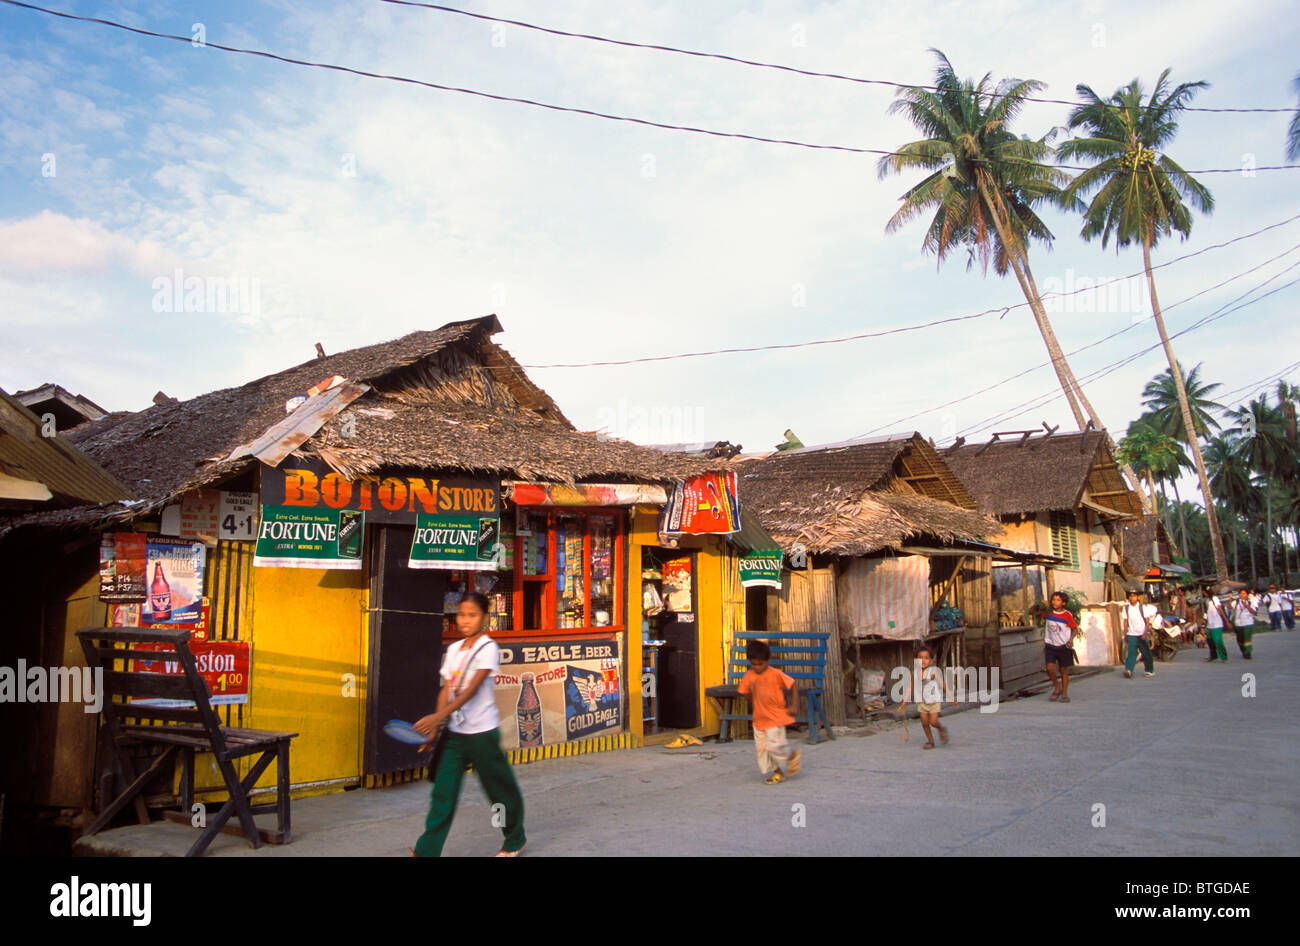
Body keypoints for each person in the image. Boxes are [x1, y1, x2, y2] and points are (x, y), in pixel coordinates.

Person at [413, 592, 526, 857]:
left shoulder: (488, 649)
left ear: (485, 618)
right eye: (462, 614)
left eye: (472, 615)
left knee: (498, 789)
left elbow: (471, 691)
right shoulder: (453, 650)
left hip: (482, 733)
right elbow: (448, 690)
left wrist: (437, 718)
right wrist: (435, 729)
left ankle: (514, 838)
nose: (465, 620)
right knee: (443, 793)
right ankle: (426, 851)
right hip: (455, 735)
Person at [737, 639, 801, 784]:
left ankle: (791, 756)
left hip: (775, 718)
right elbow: (745, 693)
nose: (757, 667)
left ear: (767, 661)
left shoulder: (776, 674)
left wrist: (794, 706)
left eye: (761, 664)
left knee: (774, 745)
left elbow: (793, 684)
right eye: (754, 664)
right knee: (763, 750)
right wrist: (751, 692)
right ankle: (778, 773)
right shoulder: (749, 676)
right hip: (759, 719)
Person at [898, 645, 956, 748]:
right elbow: (910, 688)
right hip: (922, 702)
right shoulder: (914, 673)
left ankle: (941, 729)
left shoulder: (933, 672)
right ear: (916, 661)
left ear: (931, 661)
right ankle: (930, 741)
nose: (923, 660)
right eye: (920, 658)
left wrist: (951, 698)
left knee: (933, 722)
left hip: (934, 701)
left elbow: (943, 684)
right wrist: (904, 701)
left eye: (926, 658)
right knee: (924, 723)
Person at [1043, 592, 1080, 703]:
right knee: (1049, 668)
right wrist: (1042, 605)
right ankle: (1057, 687)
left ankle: (1064, 694)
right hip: (1050, 645)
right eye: (1053, 599)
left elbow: (1074, 629)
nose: (1055, 602)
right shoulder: (1048, 612)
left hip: (1063, 646)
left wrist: (1071, 640)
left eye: (1058, 600)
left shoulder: (1067, 615)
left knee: (1063, 670)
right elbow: (1031, 612)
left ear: (1063, 603)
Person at [1121, 588, 1156, 678]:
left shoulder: (1142, 608)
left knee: (1146, 653)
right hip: (1131, 634)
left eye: (1134, 596)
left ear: (1137, 597)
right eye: (1131, 596)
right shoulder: (1126, 608)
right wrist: (1125, 633)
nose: (1132, 598)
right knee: (1131, 653)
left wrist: (1145, 633)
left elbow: (1147, 622)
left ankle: (1149, 670)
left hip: (1141, 633)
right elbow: (1125, 621)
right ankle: (1128, 670)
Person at [1203, 588, 1231, 663]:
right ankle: (1213, 656)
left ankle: (1224, 657)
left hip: (1217, 624)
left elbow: (1220, 609)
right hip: (1210, 624)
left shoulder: (1215, 599)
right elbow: (1207, 612)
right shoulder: (1206, 600)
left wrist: (1226, 621)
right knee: (1210, 641)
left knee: (1218, 641)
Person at [1230, 589, 1257, 660]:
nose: (1242, 595)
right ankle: (1243, 651)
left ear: (1247, 595)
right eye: (1241, 593)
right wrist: (1230, 600)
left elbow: (1254, 613)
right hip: (1238, 623)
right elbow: (1230, 608)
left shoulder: (1250, 603)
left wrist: (1246, 606)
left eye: (1244, 593)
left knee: (1247, 639)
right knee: (1240, 640)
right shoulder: (1236, 602)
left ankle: (1248, 653)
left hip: (1248, 623)